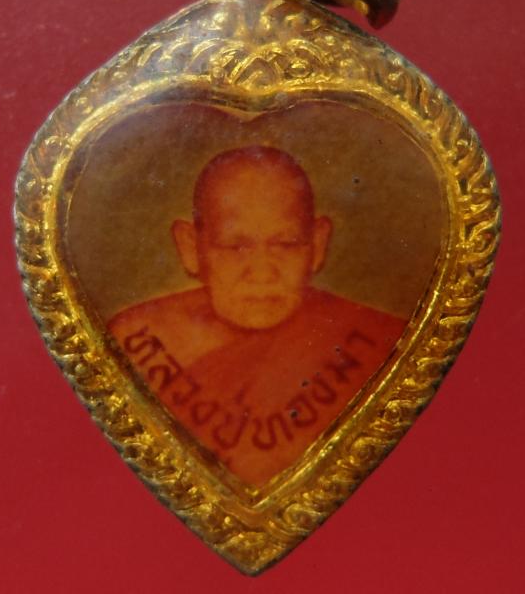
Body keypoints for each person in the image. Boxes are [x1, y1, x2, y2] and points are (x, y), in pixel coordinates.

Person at [108, 145, 406, 486]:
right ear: (191, 247)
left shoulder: (380, 345)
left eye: (287, 244)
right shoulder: (135, 342)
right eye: (236, 246)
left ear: (318, 243)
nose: (263, 273)